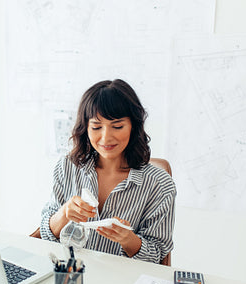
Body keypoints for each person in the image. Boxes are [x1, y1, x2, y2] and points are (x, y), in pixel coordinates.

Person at [40, 79, 176, 264]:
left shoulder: (159, 184)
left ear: (133, 126)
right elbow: (46, 236)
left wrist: (128, 239)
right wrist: (64, 214)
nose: (106, 137)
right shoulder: (67, 167)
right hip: (71, 277)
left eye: (118, 126)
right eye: (96, 127)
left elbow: (158, 256)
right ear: (85, 127)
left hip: (123, 283)